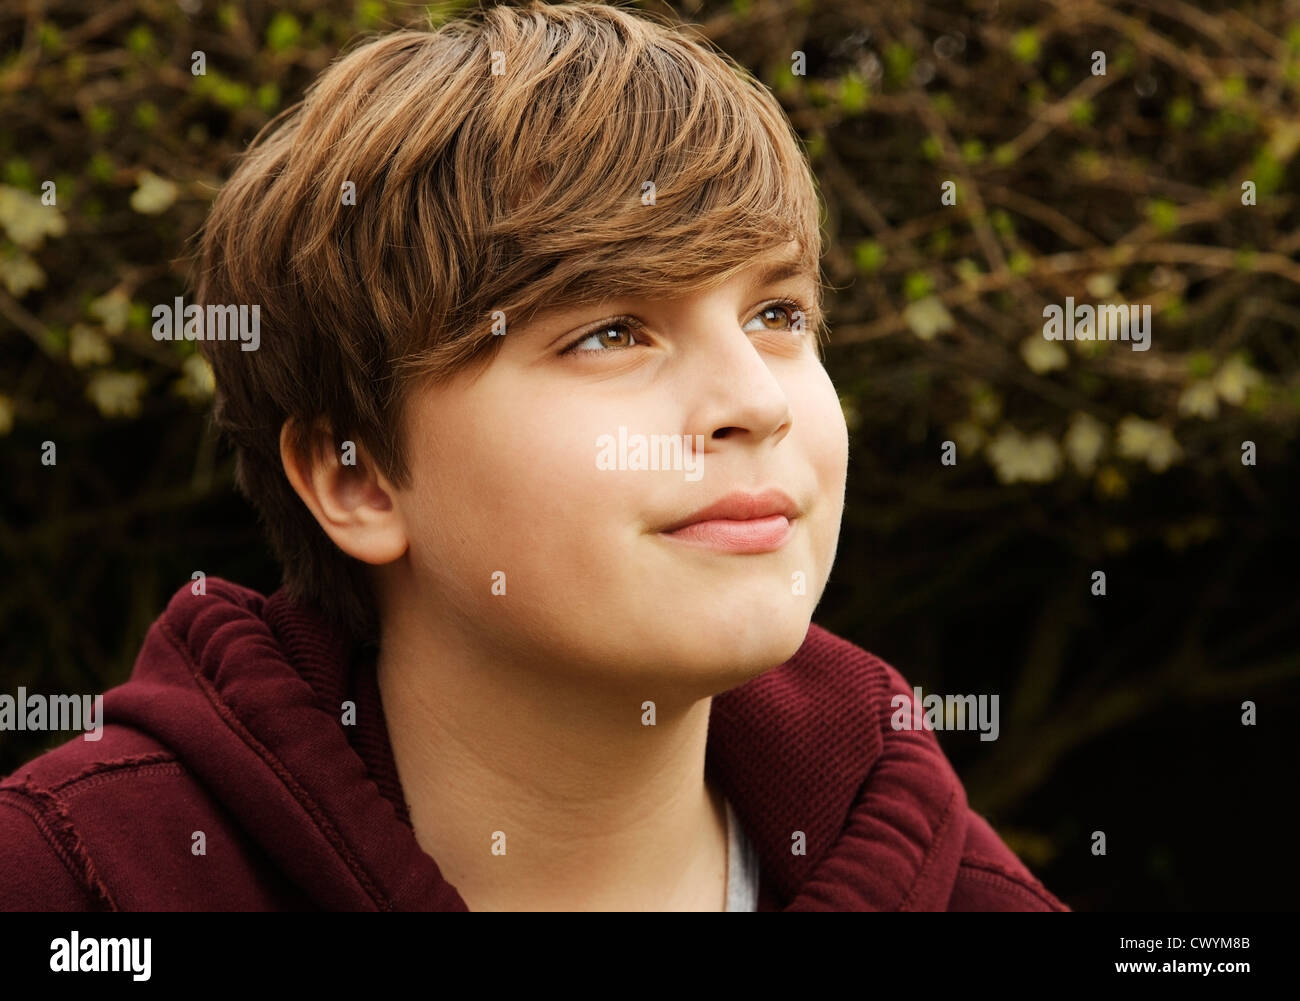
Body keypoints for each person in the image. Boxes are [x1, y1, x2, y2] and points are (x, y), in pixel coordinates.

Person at [0, 1, 1067, 912]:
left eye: (779, 313)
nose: (754, 398)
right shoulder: (69, 885)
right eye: (611, 331)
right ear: (356, 473)